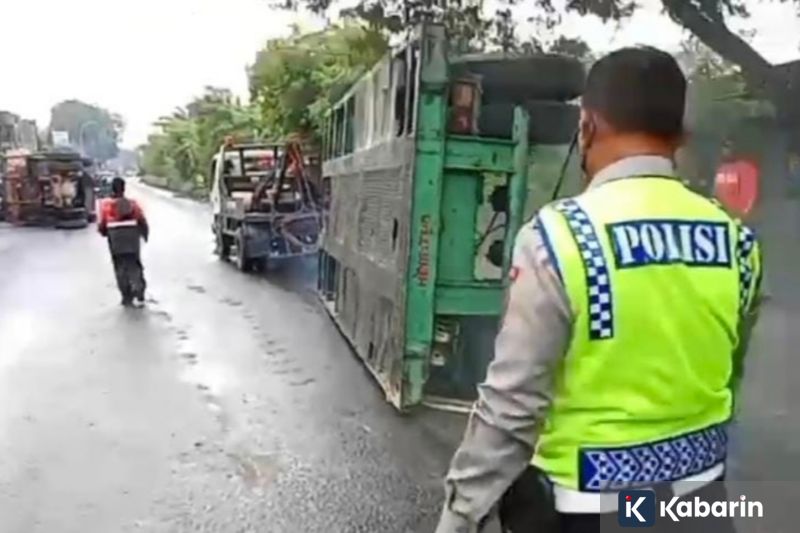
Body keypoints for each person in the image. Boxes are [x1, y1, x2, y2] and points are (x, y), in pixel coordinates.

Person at [436, 46, 763, 533]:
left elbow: (511, 409)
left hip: (589, 512)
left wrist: (460, 515)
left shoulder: (558, 238)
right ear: (680, 136)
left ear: (587, 125)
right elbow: (727, 378)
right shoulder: (737, 242)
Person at [98, 177, 149, 306]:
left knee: (120, 267)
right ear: (124, 188)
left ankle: (126, 296)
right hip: (132, 239)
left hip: (116, 241)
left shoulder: (106, 206)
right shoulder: (132, 204)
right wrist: (145, 235)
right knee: (134, 265)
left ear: (112, 189)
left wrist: (106, 234)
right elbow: (142, 221)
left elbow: (102, 226)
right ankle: (139, 292)